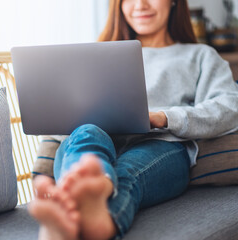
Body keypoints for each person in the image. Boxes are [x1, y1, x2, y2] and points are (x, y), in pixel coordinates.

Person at [28, 0, 238, 239]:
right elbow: (60, 122)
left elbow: (229, 108)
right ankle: (87, 200)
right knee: (86, 132)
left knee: (128, 171)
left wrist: (165, 117)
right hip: (96, 138)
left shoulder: (200, 55)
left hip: (161, 145)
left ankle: (88, 215)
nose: (140, 5)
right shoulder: (93, 56)